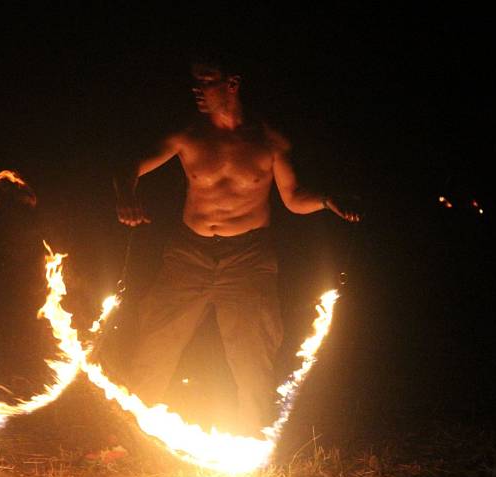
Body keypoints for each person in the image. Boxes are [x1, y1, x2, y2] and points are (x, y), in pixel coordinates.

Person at [115, 57, 359, 435]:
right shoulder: (187, 135)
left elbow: (293, 198)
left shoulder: (269, 140)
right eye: (194, 82)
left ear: (232, 83)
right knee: (155, 346)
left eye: (207, 81)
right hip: (187, 254)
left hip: (249, 258)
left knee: (253, 356)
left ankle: (255, 442)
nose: (197, 89)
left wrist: (327, 200)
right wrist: (127, 195)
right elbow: (126, 165)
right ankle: (132, 440)